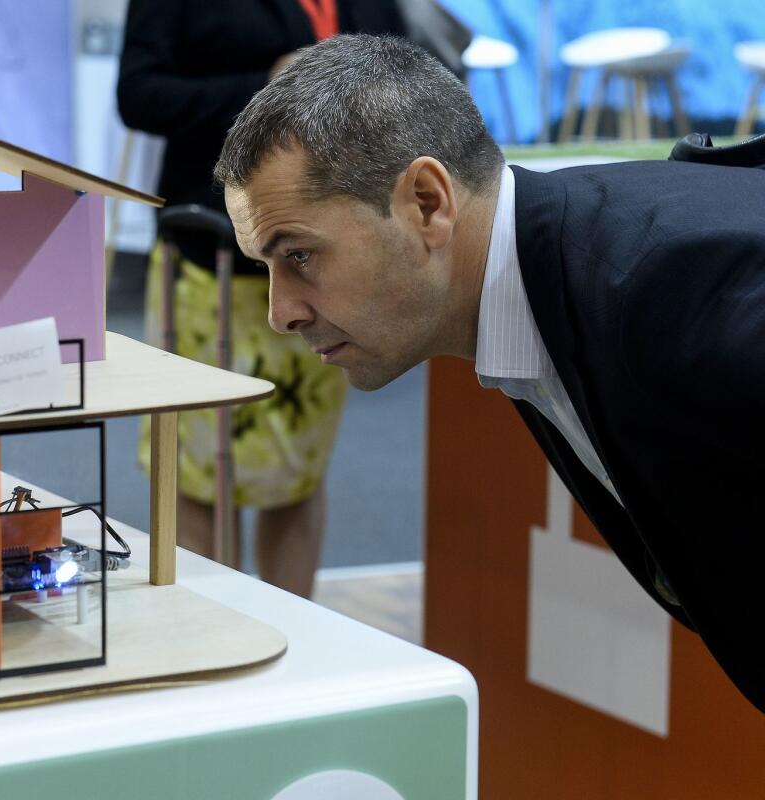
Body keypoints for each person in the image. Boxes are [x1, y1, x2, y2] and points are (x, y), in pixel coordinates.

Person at [214, 32, 765, 711]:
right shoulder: (555, 269)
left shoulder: (669, 291)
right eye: (263, 266)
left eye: (297, 255)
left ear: (426, 201)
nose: (279, 313)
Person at [116, 1, 407, 598]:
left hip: (334, 258)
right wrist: (267, 87)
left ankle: (296, 638)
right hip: (208, 259)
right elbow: (139, 94)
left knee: (298, 471)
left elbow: (404, 76)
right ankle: (203, 638)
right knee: (196, 471)